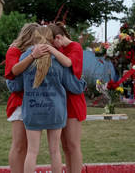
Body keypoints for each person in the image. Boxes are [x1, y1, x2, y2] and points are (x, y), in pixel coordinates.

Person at [7, 26, 87, 173]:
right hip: (55, 109)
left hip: (32, 109)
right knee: (55, 152)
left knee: (31, 152)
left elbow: (16, 85)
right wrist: (83, 84)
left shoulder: (25, 56)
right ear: (51, 39)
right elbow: (73, 86)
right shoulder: (58, 58)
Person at [5, 23, 49, 173]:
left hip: (36, 102)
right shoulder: (14, 50)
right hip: (19, 102)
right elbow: (12, 72)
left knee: (31, 148)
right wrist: (32, 56)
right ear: (30, 36)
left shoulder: (40, 50)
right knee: (19, 145)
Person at [48, 22, 85, 173]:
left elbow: (68, 62)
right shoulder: (60, 48)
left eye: (53, 43)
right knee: (64, 146)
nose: (53, 46)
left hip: (73, 101)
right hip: (60, 101)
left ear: (58, 37)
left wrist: (51, 50)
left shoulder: (75, 46)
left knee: (73, 144)